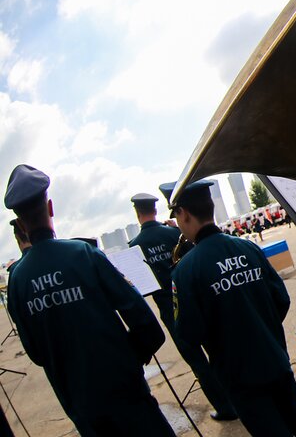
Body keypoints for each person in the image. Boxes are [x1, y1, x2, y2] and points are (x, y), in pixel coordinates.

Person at [3, 165, 174, 436]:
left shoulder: (18, 281)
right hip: (126, 393)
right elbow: (145, 324)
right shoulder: (83, 254)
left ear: (21, 224)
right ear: (50, 208)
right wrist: (127, 362)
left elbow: (35, 353)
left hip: (82, 406)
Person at [165, 179, 296, 437]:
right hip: (274, 356)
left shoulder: (185, 271)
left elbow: (188, 334)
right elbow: (281, 299)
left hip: (238, 375)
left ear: (183, 213)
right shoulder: (248, 247)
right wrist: (262, 328)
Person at [128, 192, 237, 422]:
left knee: (197, 360)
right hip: (197, 298)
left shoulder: (134, 247)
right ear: (155, 210)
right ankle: (237, 395)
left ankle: (224, 406)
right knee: (216, 348)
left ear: (137, 214)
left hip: (169, 308)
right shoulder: (174, 232)